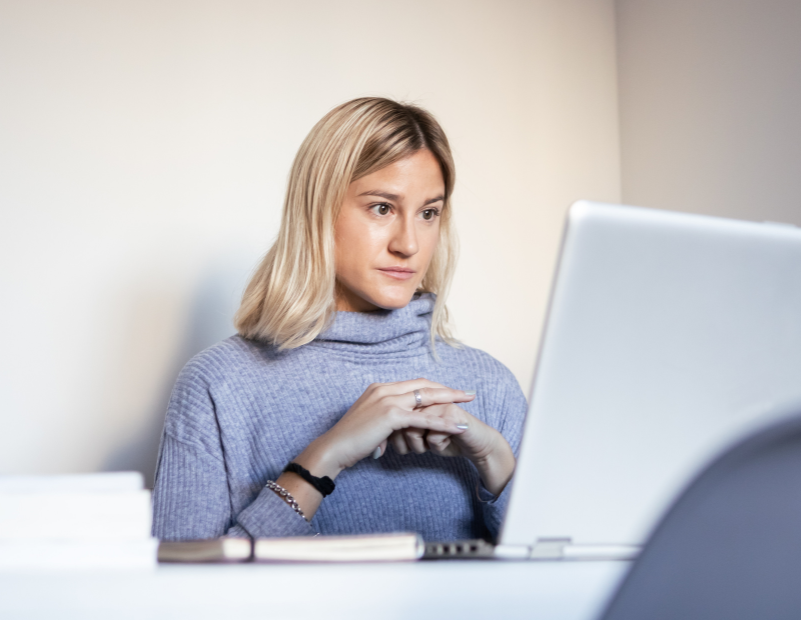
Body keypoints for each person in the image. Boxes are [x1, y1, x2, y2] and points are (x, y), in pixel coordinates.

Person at [152, 97, 526, 542]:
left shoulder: (490, 385)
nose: (408, 244)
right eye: (382, 208)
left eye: (428, 213)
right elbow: (180, 596)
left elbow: (569, 587)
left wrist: (498, 464)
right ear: (318, 211)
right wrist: (323, 459)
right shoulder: (220, 386)